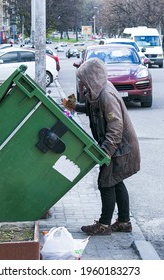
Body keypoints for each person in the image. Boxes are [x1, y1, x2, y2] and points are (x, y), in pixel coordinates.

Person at [62, 58, 140, 235]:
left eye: (83, 79)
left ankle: (104, 225)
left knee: (106, 183)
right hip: (117, 147)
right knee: (116, 181)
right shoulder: (97, 91)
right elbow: (91, 109)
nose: (81, 83)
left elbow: (116, 126)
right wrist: (73, 106)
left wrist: (106, 152)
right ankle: (124, 222)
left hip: (119, 148)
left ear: (92, 77)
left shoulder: (106, 95)